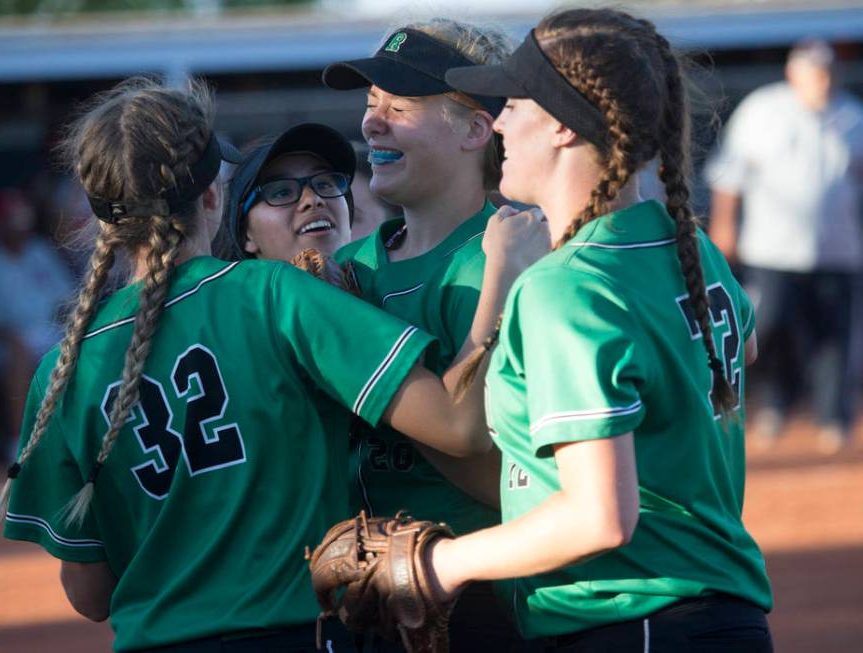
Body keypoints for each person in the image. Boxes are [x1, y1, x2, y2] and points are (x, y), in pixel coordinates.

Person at [0, 78, 540, 653]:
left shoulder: (65, 367)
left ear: (104, 219)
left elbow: (90, 596)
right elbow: (458, 425)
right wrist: (502, 275)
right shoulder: (275, 296)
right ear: (212, 199)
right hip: (294, 632)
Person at [409, 8, 773, 652]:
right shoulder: (686, 246)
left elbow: (600, 517)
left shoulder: (565, 286)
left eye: (514, 103)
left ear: (560, 127)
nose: (498, 122)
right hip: (720, 619)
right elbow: (736, 347)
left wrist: (441, 565)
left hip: (627, 619)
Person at [323, 18, 526, 651]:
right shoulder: (349, 271)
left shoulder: (514, 259)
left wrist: (368, 366)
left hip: (482, 601)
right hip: (361, 596)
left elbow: (505, 483)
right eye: (370, 103)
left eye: (401, 106)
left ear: (476, 128)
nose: (372, 123)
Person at [706, 39, 863, 453]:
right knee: (769, 327)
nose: (822, 80)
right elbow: (729, 175)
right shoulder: (763, 110)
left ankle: (833, 418)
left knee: (833, 337)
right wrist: (726, 226)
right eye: (814, 72)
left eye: (828, 72)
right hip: (772, 250)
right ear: (794, 74)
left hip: (836, 251)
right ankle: (775, 405)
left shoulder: (851, 116)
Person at [0, 187, 75, 459]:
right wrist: (12, 339)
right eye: (13, 221)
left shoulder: (38, 251)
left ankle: (70, 437)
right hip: (9, 340)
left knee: (81, 347)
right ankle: (18, 442)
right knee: (18, 353)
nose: (20, 227)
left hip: (47, 331)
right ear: (0, 224)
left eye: (22, 220)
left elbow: (66, 298)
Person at [215, 123, 355, 262]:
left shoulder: (375, 281)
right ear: (246, 235)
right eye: (282, 192)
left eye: (324, 184)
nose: (312, 199)